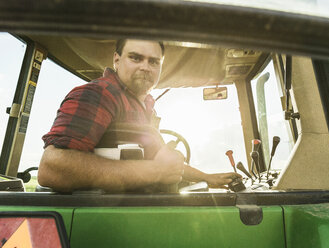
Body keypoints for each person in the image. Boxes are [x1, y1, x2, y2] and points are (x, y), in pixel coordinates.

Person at [38, 39, 240, 193]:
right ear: (117, 60)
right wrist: (156, 172)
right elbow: (53, 168)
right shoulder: (99, 95)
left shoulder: (145, 106)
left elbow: (161, 162)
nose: (145, 66)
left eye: (154, 61)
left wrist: (207, 177)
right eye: (136, 58)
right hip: (106, 223)